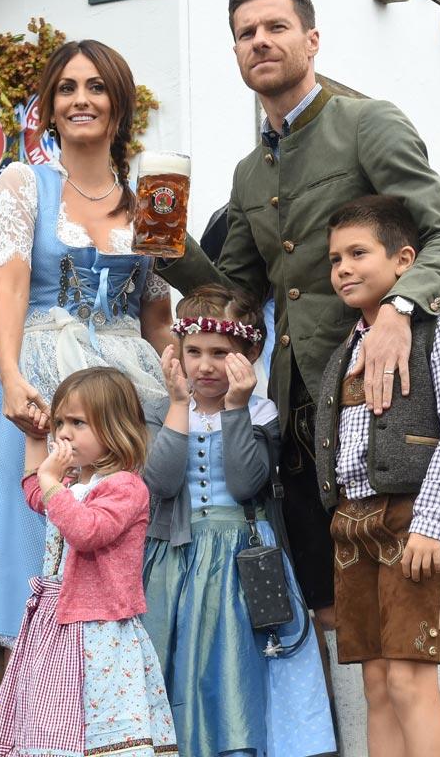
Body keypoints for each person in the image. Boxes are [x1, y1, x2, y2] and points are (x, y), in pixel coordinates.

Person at [153, 0, 440, 750]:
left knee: (403, 650)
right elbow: (231, 296)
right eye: (244, 33)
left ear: (311, 39)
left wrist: (402, 310)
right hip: (300, 429)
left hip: (385, 411)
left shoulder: (367, 126)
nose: (259, 42)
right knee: (339, 622)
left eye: (274, 27)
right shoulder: (246, 175)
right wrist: (161, 244)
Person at [0, 39, 171, 646]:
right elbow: (9, 292)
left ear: (119, 106)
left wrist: (183, 383)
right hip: (45, 378)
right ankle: (43, 707)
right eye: (67, 87)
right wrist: (10, 375)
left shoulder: (152, 200)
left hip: (125, 391)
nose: (80, 99)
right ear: (49, 106)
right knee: (40, 533)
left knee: (119, 536)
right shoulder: (22, 182)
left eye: (95, 87)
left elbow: (156, 316)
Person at [314, 196, 440, 757]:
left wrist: (432, 523)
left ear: (405, 259)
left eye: (358, 253)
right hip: (352, 526)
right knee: (377, 684)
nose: (343, 268)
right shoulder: (344, 351)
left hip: (414, 520)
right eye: (335, 258)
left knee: (411, 681)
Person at [141, 284, 336, 757]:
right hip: (176, 559)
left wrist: (233, 410)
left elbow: (246, 481)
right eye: (194, 352)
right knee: (182, 661)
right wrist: (178, 406)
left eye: (220, 353)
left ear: (248, 353)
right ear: (178, 353)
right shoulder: (161, 409)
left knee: (239, 664)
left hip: (243, 558)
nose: (205, 365)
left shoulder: (260, 411)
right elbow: (160, 483)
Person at [0, 367, 178, 757]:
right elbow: (37, 495)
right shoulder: (72, 486)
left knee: (95, 727)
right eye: (60, 423)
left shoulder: (125, 487)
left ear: (115, 428)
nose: (65, 433)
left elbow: (86, 530)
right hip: (56, 625)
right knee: (51, 729)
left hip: (99, 635)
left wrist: (53, 481)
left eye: (78, 423)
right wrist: (35, 440)